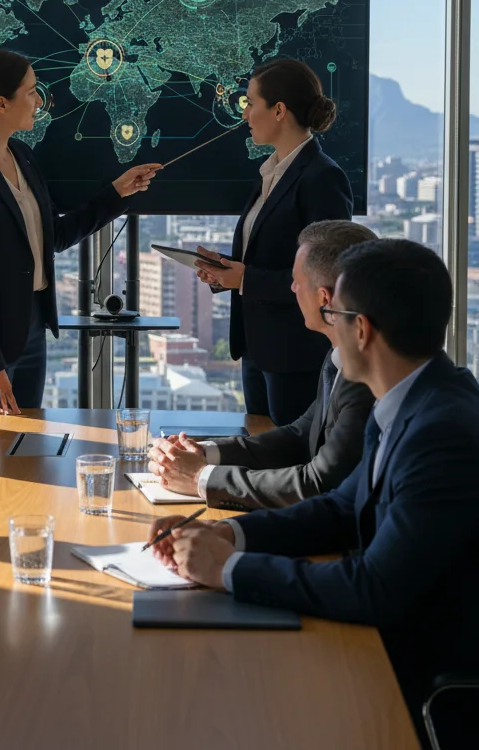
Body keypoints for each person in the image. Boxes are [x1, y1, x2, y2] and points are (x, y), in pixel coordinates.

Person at [148, 240, 479, 732]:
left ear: (361, 330)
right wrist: (231, 535)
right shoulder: (409, 398)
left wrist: (228, 568)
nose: (328, 325)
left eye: (335, 315)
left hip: (411, 675)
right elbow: (341, 509)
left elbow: (375, 588)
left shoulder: (441, 432)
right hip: (374, 642)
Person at [0, 49, 160, 411]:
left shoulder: (23, 156)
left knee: (26, 440)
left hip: (30, 330)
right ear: (2, 104)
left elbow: (55, 235)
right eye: (31, 92)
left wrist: (117, 193)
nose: (39, 101)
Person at [148, 220, 376, 510]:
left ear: (324, 298)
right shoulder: (339, 357)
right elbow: (300, 436)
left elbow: (318, 484)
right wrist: (203, 452)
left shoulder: (365, 375)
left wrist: (198, 478)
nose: (291, 288)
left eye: (297, 281)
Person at [193, 58, 353, 425]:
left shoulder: (322, 177)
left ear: (279, 110)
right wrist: (227, 272)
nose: (244, 114)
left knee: (290, 452)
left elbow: (327, 278)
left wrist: (246, 279)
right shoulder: (271, 173)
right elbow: (269, 256)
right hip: (257, 349)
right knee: (261, 446)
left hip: (295, 355)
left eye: (250, 103)